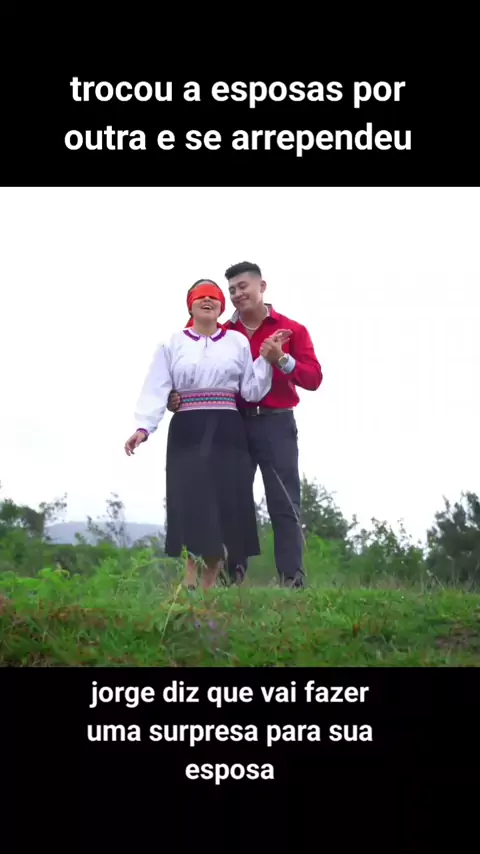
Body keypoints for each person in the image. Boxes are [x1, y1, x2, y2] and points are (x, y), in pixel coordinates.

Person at [124, 278, 291, 591]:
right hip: (187, 429)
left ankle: (212, 580)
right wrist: (143, 428)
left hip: (227, 428)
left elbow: (251, 390)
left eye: (214, 297)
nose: (207, 300)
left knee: (224, 500)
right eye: (200, 296)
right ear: (190, 305)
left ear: (221, 306)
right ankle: (190, 580)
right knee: (190, 500)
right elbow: (157, 387)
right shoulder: (172, 344)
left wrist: (267, 360)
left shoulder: (236, 343)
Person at [167, 262, 323, 588]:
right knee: (230, 501)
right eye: (232, 290)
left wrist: (281, 359)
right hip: (232, 425)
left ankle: (292, 581)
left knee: (284, 503)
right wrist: (173, 396)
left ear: (261, 286)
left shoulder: (291, 329)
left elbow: (313, 378)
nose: (238, 294)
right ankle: (229, 580)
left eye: (243, 287)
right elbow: (184, 364)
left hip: (276, 424)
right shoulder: (221, 332)